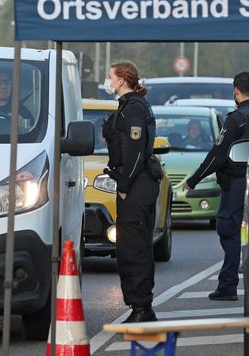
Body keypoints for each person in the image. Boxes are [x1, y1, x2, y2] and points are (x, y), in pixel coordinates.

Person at [182, 71, 249, 301]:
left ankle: (227, 286)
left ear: (236, 90)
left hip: (236, 184)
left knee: (228, 230)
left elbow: (218, 155)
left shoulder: (236, 119)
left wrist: (193, 180)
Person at [102, 61, 160, 323]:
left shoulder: (134, 108)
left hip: (136, 186)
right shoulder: (129, 105)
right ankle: (140, 306)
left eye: (110, 77)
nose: (108, 81)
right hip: (135, 185)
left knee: (134, 248)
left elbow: (136, 151)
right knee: (131, 246)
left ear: (122, 79)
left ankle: (142, 309)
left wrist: (124, 186)